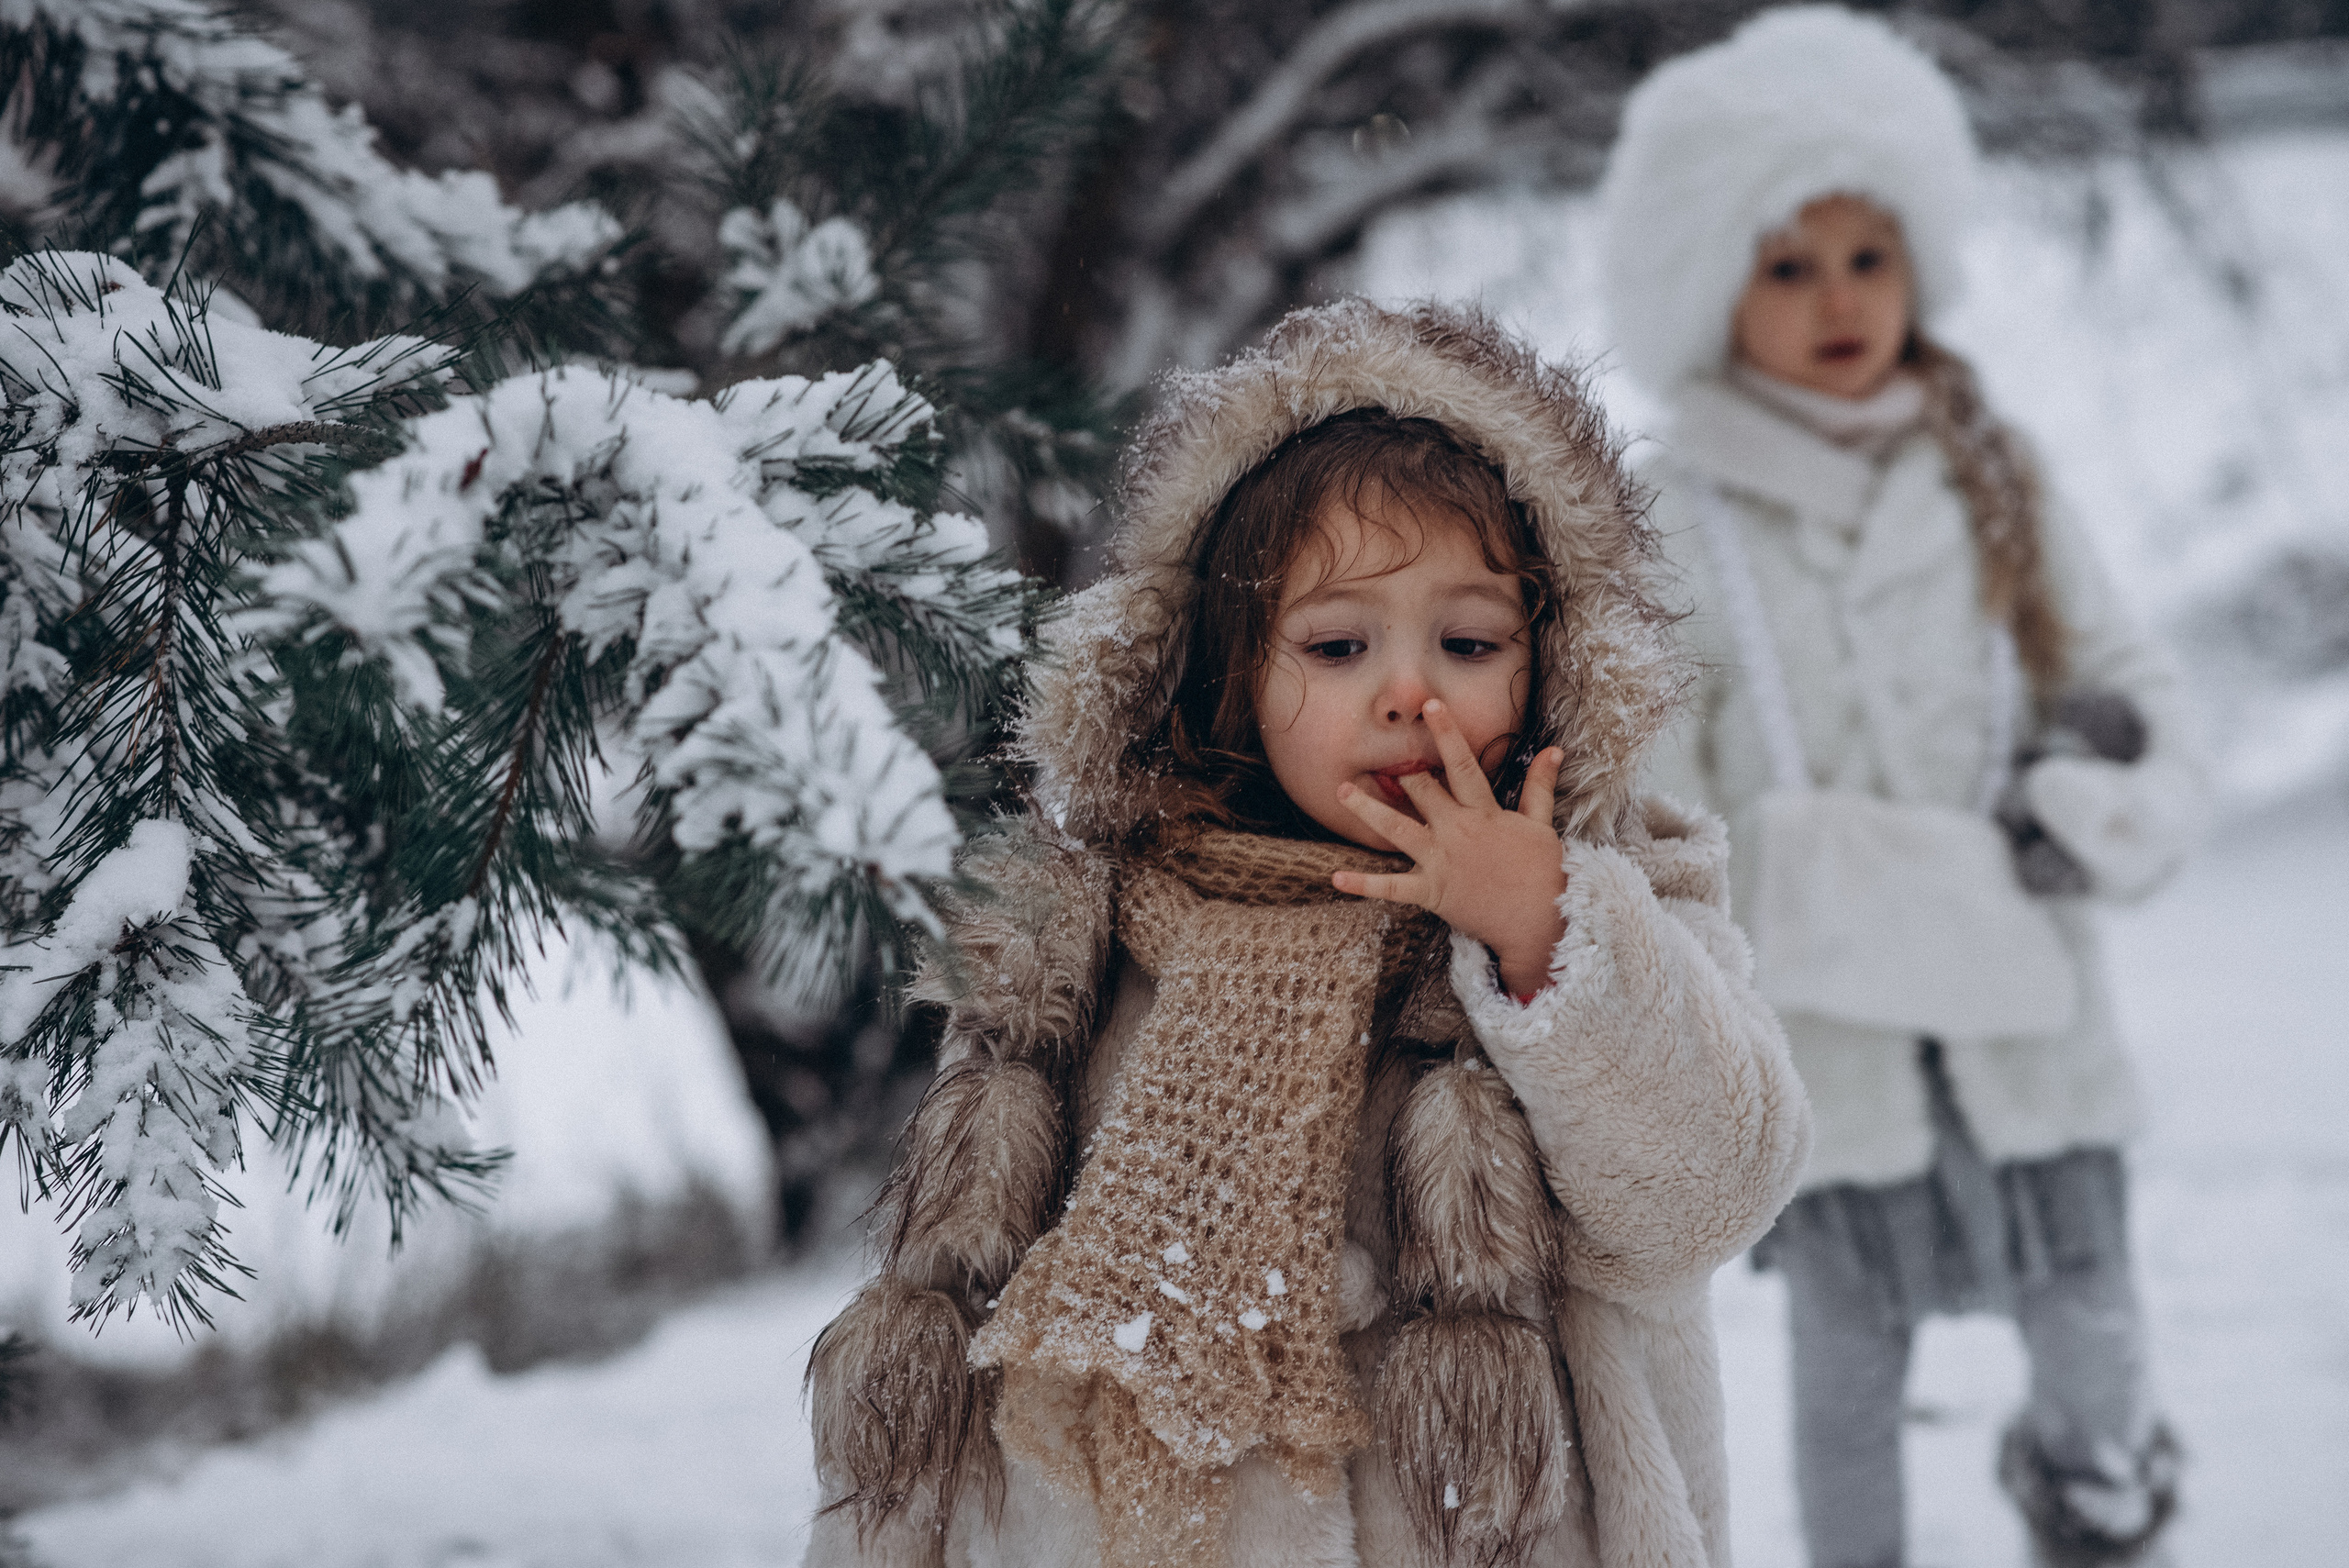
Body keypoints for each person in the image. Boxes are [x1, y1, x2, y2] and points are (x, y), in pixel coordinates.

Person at [800, 298, 1811, 1568]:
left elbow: (1710, 1196)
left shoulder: (1607, 901)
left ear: (1552, 661)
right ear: (1225, 670)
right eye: (1337, 645)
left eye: (1470, 642)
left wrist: (1544, 932)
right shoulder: (1082, 941)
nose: (1410, 690)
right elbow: (945, 1336)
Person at [1600, 11, 2208, 1568]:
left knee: (2093, 1330)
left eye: (1869, 258)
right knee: (1848, 1376)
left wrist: (2096, 798)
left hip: (2025, 1012)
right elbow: (1653, 792)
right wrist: (1696, 967)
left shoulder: (1991, 468)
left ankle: (2093, 1503)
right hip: (1829, 1045)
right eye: (1788, 266)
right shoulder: (1673, 519)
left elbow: (2130, 686)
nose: (1839, 300)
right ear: (1709, 282)